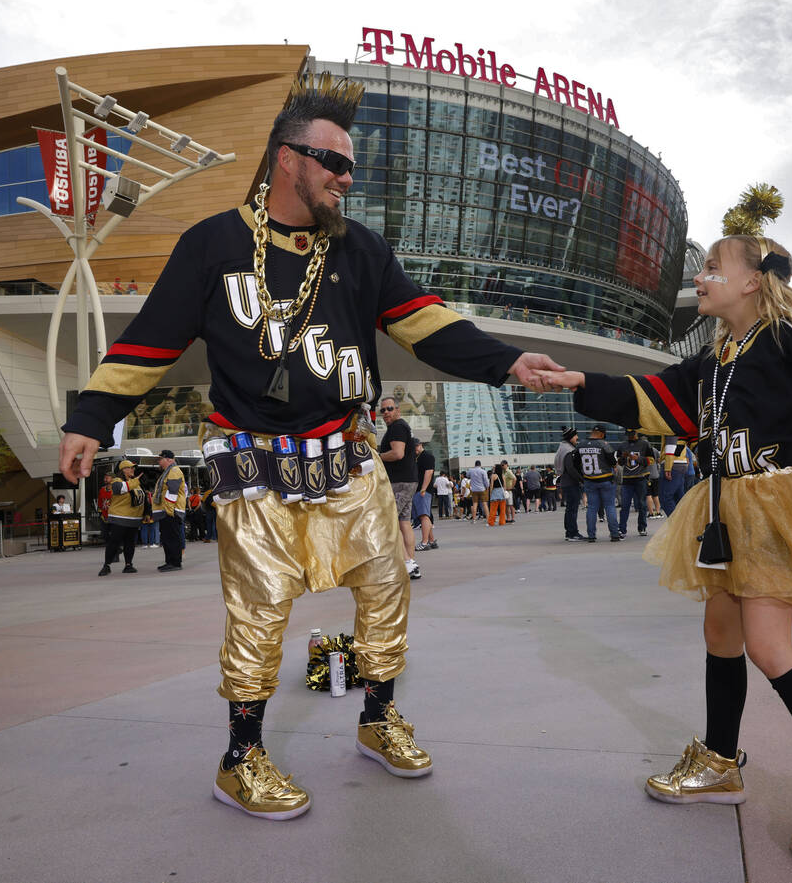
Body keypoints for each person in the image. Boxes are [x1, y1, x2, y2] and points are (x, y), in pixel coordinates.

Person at [57, 75, 563, 821]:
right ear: (285, 159)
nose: (345, 177)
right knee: (259, 608)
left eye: (350, 166)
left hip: (345, 454)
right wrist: (91, 416)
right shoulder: (213, 244)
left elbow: (423, 321)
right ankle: (241, 759)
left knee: (387, 584)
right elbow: (148, 342)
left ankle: (377, 716)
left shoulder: (359, 250)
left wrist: (506, 360)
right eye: (332, 161)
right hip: (252, 456)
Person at [542, 235, 792, 864]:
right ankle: (719, 761)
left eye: (712, 269)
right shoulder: (712, 360)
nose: (701, 279)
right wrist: (581, 381)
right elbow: (655, 398)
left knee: (768, 646)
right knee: (720, 633)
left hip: (778, 507)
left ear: (753, 282)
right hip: (724, 506)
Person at [378, 397, 421, 578]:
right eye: (383, 410)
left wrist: (377, 456)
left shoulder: (397, 427)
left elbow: (397, 453)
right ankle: (410, 562)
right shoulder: (401, 427)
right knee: (404, 522)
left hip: (400, 482)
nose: (386, 412)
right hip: (408, 481)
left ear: (397, 410)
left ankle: (407, 563)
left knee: (389, 521)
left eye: (389, 408)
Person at [99, 459, 145, 576]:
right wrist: (135, 482)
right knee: (114, 543)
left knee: (130, 543)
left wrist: (147, 513)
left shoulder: (135, 482)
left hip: (134, 519)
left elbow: (142, 498)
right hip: (119, 518)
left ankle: (128, 565)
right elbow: (119, 489)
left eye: (133, 467)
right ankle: (107, 565)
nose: (133, 469)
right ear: (123, 470)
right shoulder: (116, 481)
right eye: (131, 467)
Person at [576, 423, 620, 542]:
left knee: (591, 508)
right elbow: (612, 461)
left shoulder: (580, 445)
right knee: (609, 506)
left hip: (589, 480)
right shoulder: (604, 444)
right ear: (601, 434)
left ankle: (591, 535)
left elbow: (576, 463)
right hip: (605, 479)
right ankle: (615, 534)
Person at [152, 450, 187, 571]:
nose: (159, 462)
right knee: (167, 538)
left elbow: (172, 491)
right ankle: (170, 561)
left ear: (169, 459)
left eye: (160, 459)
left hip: (171, 511)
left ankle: (175, 563)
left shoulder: (174, 471)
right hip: (166, 511)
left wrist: (169, 510)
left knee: (172, 537)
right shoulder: (168, 472)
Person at [617, 428, 655, 537]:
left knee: (642, 504)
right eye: (628, 434)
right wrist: (623, 458)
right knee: (625, 505)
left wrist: (638, 458)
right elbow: (619, 463)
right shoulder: (622, 445)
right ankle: (622, 529)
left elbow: (651, 460)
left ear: (636, 433)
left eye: (632, 434)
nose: (630, 436)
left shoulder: (645, 444)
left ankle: (642, 527)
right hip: (627, 479)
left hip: (641, 478)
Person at [554, 426, 583, 540]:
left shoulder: (563, 447)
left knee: (570, 509)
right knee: (572, 509)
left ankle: (569, 532)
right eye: (575, 435)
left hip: (566, 483)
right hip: (571, 483)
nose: (577, 437)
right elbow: (570, 468)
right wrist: (581, 479)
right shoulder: (568, 450)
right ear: (570, 437)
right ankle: (572, 533)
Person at [658, 435, 694, 516]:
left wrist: (668, 466)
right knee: (679, 497)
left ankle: (675, 524)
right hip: (681, 463)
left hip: (673, 463)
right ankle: (684, 522)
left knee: (665, 498)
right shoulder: (681, 427)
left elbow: (671, 445)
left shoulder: (670, 426)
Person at [412, 440, 437, 552]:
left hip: (423, 490)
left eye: (416, 446)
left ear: (420, 445)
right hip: (419, 490)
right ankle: (431, 541)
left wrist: (423, 488)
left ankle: (424, 542)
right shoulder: (418, 457)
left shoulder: (427, 456)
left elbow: (429, 472)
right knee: (425, 515)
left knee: (424, 516)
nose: (415, 449)